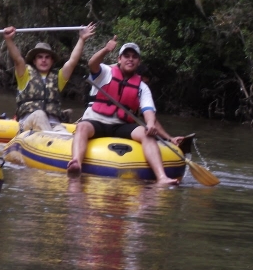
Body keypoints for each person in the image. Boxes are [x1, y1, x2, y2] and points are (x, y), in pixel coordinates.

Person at [67, 38, 183, 186]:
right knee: (82, 127)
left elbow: (148, 110)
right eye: (126, 56)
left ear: (138, 62)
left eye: (134, 57)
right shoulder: (105, 72)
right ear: (119, 59)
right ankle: (76, 163)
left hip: (120, 125)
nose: (130, 59)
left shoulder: (142, 87)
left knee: (145, 133)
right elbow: (92, 64)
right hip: (96, 121)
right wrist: (106, 50)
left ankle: (161, 177)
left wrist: (150, 124)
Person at [4, 23, 96, 131]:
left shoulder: (58, 77)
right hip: (29, 124)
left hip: (54, 125)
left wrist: (82, 39)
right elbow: (17, 59)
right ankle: (49, 139)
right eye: (40, 57)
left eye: (47, 57)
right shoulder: (25, 74)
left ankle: (55, 141)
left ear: (52, 61)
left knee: (64, 135)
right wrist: (9, 40)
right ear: (34, 60)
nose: (44, 60)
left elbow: (72, 62)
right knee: (39, 114)